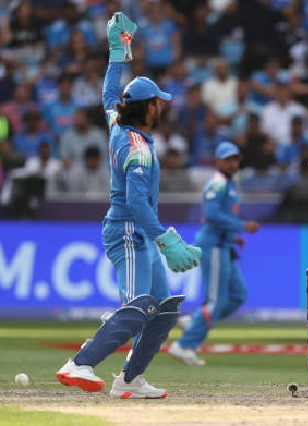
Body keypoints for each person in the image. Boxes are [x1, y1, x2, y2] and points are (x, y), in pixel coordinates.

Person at [55, 12, 202, 399]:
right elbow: (136, 202)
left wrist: (118, 52)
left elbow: (108, 95)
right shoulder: (136, 148)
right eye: (159, 102)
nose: (162, 107)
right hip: (128, 232)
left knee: (163, 308)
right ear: (149, 108)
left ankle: (131, 379)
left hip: (141, 234)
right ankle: (80, 363)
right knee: (139, 307)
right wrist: (165, 239)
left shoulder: (118, 123)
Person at [169, 141, 261, 366]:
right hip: (214, 246)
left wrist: (233, 236)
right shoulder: (218, 182)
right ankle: (184, 345)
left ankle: (194, 321)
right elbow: (212, 214)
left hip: (224, 244)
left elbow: (220, 215)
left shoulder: (228, 182)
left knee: (238, 296)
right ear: (218, 161)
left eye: (235, 159)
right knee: (215, 302)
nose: (232, 164)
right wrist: (241, 226)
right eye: (227, 160)